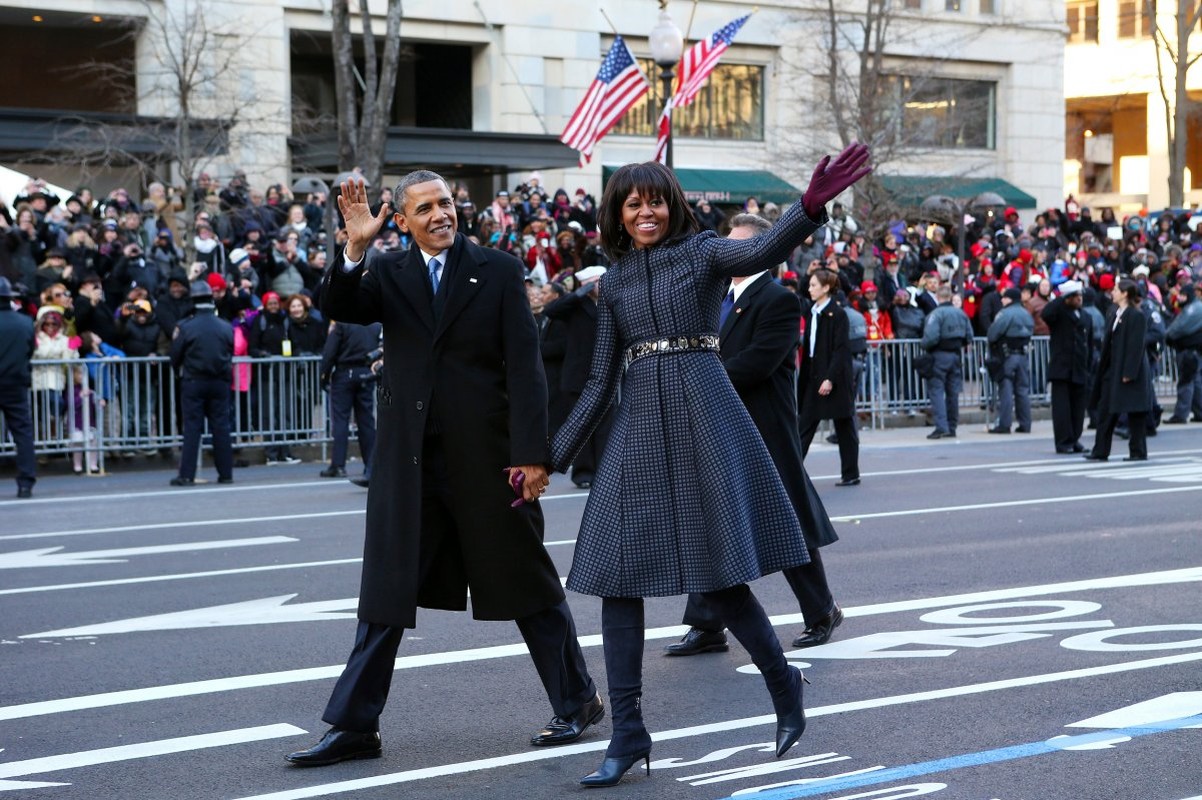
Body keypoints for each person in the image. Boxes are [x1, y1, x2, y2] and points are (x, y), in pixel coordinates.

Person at [550, 144, 871, 787]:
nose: (646, 211)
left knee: (719, 576)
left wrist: (807, 207)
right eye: (633, 203)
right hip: (639, 428)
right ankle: (628, 733)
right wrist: (548, 459)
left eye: (656, 200)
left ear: (672, 207)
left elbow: (759, 252)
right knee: (617, 581)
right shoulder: (610, 285)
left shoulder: (703, 254)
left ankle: (784, 685)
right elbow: (597, 381)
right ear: (617, 213)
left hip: (704, 414)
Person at [287, 171, 601, 768]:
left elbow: (525, 371)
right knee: (384, 592)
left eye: (447, 203)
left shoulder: (500, 271)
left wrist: (534, 455)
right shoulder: (386, 272)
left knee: (526, 581)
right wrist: (354, 247)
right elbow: (341, 304)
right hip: (409, 464)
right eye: (425, 208)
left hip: (488, 461)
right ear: (400, 221)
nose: (441, 214)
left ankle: (577, 700)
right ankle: (355, 726)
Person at [663, 214, 843, 658]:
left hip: (763, 427)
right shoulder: (716, 296)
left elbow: (758, 363)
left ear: (762, 250)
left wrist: (697, 379)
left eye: (738, 245)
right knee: (711, 524)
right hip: (718, 424)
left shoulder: (778, 300)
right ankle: (707, 624)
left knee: (787, 525)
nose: (728, 251)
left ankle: (822, 611)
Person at [542, 265, 612, 489]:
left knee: (605, 427)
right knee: (582, 426)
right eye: (596, 282)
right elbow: (551, 310)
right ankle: (583, 473)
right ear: (586, 285)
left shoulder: (609, 303)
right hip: (578, 375)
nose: (600, 286)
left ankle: (604, 471)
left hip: (605, 373)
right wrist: (579, 293)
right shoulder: (576, 305)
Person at [798, 269, 861, 485]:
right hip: (813, 374)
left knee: (844, 427)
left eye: (814, 285)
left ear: (826, 288)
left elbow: (841, 350)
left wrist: (830, 378)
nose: (810, 289)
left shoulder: (838, 314)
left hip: (833, 377)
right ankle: (792, 474)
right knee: (804, 426)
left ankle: (851, 473)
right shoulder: (812, 312)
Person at [169, 281, 234, 486]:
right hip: (219, 381)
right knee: (221, 428)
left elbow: (175, 356)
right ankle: (226, 473)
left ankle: (187, 474)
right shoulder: (225, 326)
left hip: (194, 381)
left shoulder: (186, 326)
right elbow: (229, 350)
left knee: (192, 429)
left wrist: (181, 372)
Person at [1086, 278, 1150, 462]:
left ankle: (1138, 451)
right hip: (1112, 369)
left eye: (1115, 290)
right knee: (1105, 408)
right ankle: (1100, 450)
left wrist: (1129, 372)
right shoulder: (1113, 313)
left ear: (1125, 294)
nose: (1112, 293)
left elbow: (1136, 346)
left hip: (1129, 371)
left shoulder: (1136, 315)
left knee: (1135, 412)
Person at [319, 320, 381, 485]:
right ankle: (370, 465)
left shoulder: (342, 325)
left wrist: (323, 375)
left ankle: (338, 464)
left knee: (340, 420)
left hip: (345, 373)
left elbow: (330, 351)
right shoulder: (374, 325)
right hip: (366, 371)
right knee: (366, 422)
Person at [1042, 280, 1095, 453]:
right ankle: (1063, 441)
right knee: (1062, 410)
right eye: (1075, 296)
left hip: (1080, 368)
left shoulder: (1086, 317)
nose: (1079, 299)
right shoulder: (1059, 314)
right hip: (1062, 369)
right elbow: (1046, 313)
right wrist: (1061, 298)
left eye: (1080, 295)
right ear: (1068, 298)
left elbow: (1090, 343)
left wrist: (1089, 367)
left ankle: (1074, 438)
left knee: (1078, 408)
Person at [920, 284, 973, 439]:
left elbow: (930, 337)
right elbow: (969, 336)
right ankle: (952, 426)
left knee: (936, 391)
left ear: (938, 297)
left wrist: (923, 345)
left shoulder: (936, 315)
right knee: (953, 393)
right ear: (950, 297)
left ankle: (941, 426)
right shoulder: (961, 314)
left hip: (939, 355)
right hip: (956, 356)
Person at [0, 276, 36, 497]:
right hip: (15, 383)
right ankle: (25, 482)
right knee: (22, 434)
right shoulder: (24, 322)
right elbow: (30, 350)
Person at [986, 287, 1035, 434]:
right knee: (1022, 390)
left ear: (1010, 299)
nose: (1002, 300)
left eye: (1004, 297)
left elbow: (993, 334)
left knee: (1005, 390)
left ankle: (1004, 424)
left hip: (1007, 356)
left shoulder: (1005, 314)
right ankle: (1025, 424)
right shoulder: (1026, 314)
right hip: (1023, 355)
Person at [1164, 283, 1202, 423]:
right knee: (1196, 382)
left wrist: (1167, 336)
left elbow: (1177, 329)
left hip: (1188, 352)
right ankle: (1199, 412)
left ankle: (1180, 414)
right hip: (1195, 352)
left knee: (1186, 383)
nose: (1180, 298)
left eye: (1183, 295)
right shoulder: (1195, 307)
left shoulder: (1193, 309)